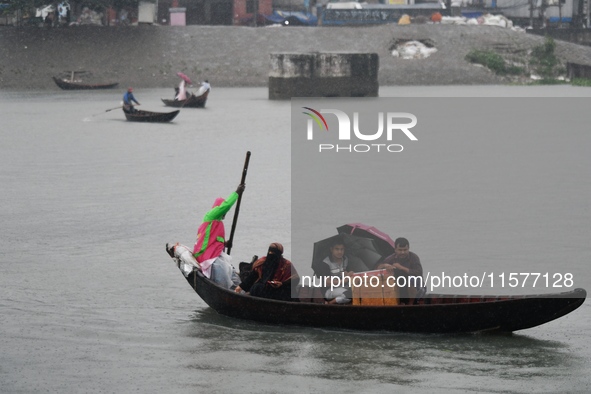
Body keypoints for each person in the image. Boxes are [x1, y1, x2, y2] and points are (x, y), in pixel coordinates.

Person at [193, 184, 245, 289]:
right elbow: (226, 205)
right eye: (223, 211)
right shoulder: (211, 215)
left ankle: (240, 290)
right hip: (207, 255)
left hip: (216, 253)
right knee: (223, 276)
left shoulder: (217, 222)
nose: (224, 214)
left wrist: (225, 243)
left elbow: (213, 239)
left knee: (232, 274)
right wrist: (237, 193)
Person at [235, 242, 299, 301]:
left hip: (280, 292)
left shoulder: (286, 265)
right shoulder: (262, 263)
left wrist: (282, 284)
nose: (271, 254)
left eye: (274, 253)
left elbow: (295, 279)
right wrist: (240, 287)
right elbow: (252, 277)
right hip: (263, 290)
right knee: (257, 288)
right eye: (270, 252)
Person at [376, 237, 423, 304]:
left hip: (416, 286)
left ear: (408, 249)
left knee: (412, 279)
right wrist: (385, 265)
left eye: (405, 250)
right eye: (400, 250)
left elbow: (419, 273)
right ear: (395, 249)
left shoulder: (414, 257)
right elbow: (377, 268)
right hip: (401, 286)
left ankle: (412, 304)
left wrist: (401, 267)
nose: (402, 252)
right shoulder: (391, 258)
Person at [312, 238, 355, 304]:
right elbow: (327, 282)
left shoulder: (345, 259)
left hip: (343, 287)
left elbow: (345, 273)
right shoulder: (325, 263)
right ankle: (330, 303)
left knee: (358, 292)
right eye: (337, 249)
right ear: (331, 249)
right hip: (329, 290)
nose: (340, 252)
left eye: (342, 249)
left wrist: (349, 274)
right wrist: (344, 280)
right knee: (350, 295)